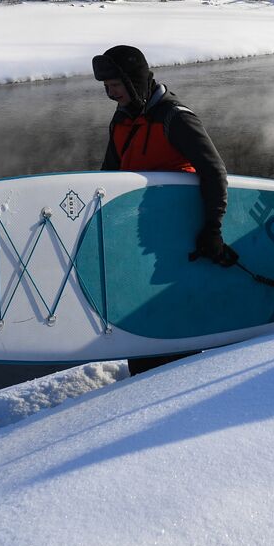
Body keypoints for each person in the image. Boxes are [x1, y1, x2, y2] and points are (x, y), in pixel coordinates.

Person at [92, 44, 238, 372]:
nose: (110, 94)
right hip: (140, 236)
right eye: (106, 87)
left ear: (133, 82)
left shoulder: (176, 118)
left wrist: (213, 227)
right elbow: (109, 177)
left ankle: (181, 378)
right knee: (141, 316)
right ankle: (144, 379)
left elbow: (214, 171)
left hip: (181, 236)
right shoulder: (121, 122)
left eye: (115, 86)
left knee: (173, 314)